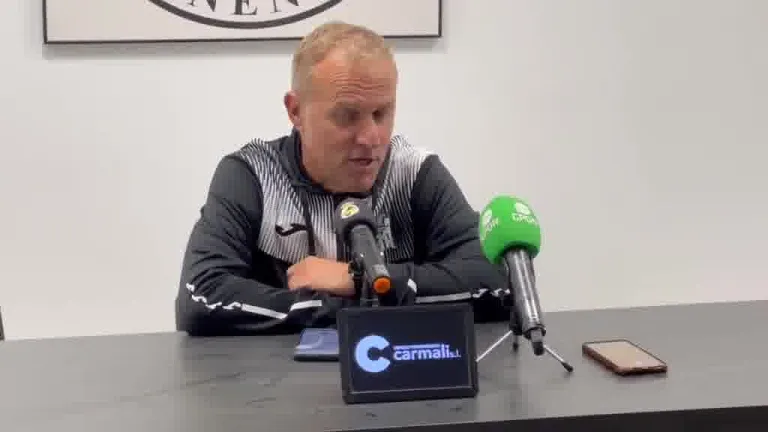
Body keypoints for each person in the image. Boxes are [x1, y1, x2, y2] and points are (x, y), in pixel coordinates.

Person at [175, 21, 506, 336]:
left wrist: (355, 280)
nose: (371, 138)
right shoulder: (253, 175)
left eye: (381, 113)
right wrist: (357, 304)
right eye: (347, 116)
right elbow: (200, 299)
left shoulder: (414, 174)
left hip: (398, 370)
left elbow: (496, 282)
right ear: (295, 111)